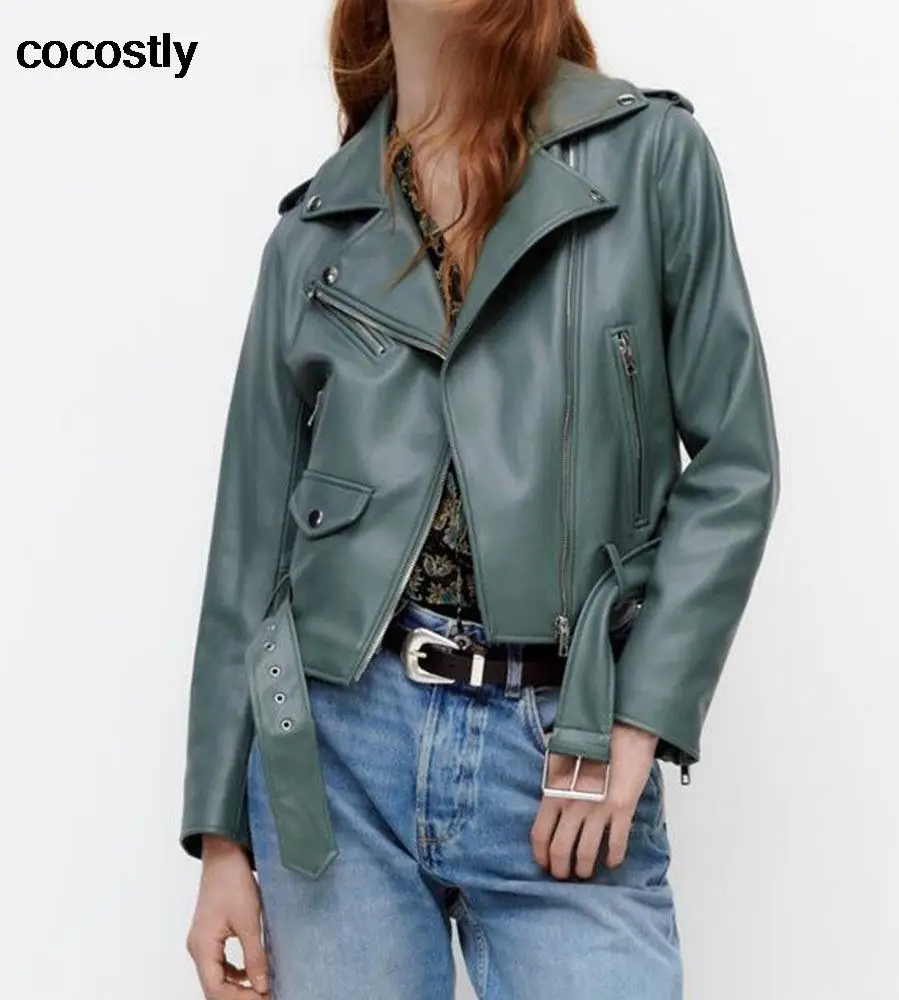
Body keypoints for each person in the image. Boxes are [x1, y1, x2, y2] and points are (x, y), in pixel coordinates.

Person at [180, 1, 780, 997]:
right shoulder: (313, 233)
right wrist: (221, 839)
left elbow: (734, 463)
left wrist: (637, 719)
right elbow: (247, 552)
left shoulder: (649, 158)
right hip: (332, 764)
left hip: (563, 744)